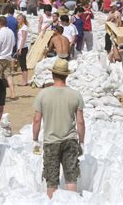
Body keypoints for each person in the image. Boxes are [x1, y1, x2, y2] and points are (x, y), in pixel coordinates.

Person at [32, 58, 85, 199]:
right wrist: (82, 142)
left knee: (51, 181)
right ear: (66, 75)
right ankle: (72, 202)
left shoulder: (43, 94)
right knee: (71, 178)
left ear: (53, 75)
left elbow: (37, 120)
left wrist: (35, 140)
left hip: (50, 142)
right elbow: (80, 122)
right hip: (70, 140)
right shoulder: (75, 95)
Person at [0, 16, 16, 99]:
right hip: (8, 56)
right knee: (8, 75)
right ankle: (13, 93)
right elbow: (13, 44)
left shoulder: (0, 33)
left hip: (0, 57)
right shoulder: (11, 32)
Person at [16, 14, 29, 86]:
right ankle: (23, 80)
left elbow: (23, 39)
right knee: (21, 65)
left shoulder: (24, 27)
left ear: (23, 19)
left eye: (19, 19)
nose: (18, 20)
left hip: (23, 47)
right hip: (20, 47)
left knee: (23, 64)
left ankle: (25, 81)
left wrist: (20, 48)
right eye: (17, 19)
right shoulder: (21, 27)